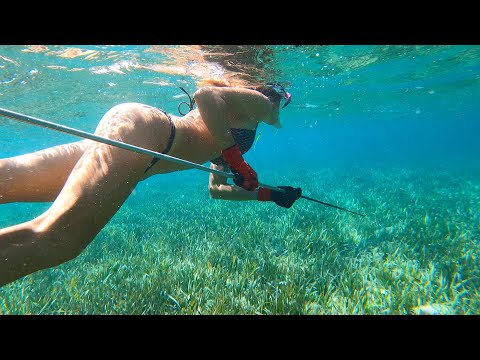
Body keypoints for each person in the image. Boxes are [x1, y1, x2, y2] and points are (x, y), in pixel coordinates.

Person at [0, 79, 301, 287]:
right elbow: (206, 95)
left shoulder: (234, 120)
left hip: (142, 143)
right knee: (60, 240)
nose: (282, 106)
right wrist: (236, 158)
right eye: (284, 98)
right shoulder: (261, 101)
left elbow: (216, 189)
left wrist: (268, 195)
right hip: (148, 137)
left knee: (10, 180)